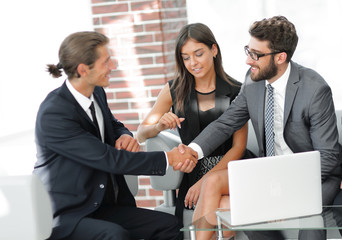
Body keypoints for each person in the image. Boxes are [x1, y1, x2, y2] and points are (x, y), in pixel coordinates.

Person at [186, 16, 341, 240]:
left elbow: (327, 157)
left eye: (256, 55)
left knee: (311, 224)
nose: (248, 61)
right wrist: (193, 150)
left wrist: (282, 193)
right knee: (238, 205)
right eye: (248, 51)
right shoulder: (252, 81)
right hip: (268, 174)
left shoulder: (315, 89)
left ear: (280, 57)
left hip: (312, 177)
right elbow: (226, 122)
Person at [33, 31, 198, 240]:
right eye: (106, 62)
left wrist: (124, 135)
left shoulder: (96, 92)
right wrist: (170, 159)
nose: (114, 66)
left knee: (168, 226)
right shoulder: (54, 114)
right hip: (66, 214)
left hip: (101, 206)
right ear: (83, 69)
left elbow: (113, 124)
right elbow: (107, 158)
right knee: (114, 235)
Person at [136, 23, 251, 239]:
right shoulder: (174, 90)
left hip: (230, 169)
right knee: (224, 207)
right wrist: (159, 125)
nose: (193, 63)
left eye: (198, 54)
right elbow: (141, 133)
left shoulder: (237, 91)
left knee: (223, 203)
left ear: (214, 50)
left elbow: (239, 148)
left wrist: (205, 181)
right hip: (193, 171)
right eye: (185, 57)